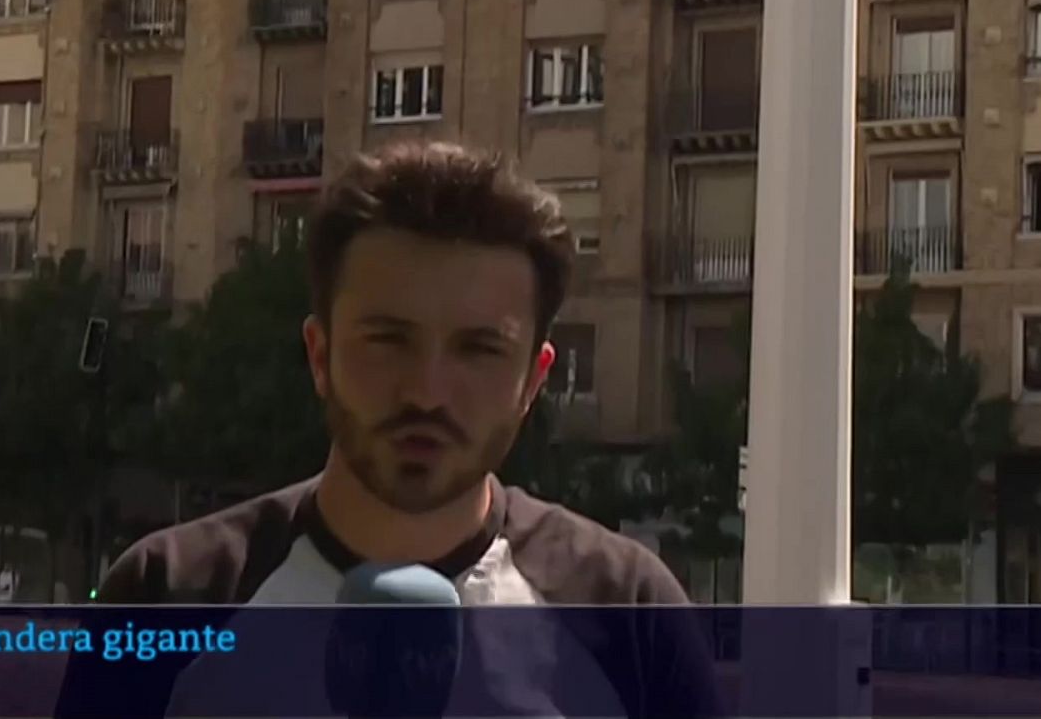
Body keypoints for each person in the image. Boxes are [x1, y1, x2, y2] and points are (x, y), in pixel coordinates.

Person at [58, 141, 723, 716]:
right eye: (388, 340)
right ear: (320, 355)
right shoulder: (164, 593)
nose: (427, 392)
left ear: (533, 381)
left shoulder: (630, 610)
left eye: (479, 349)